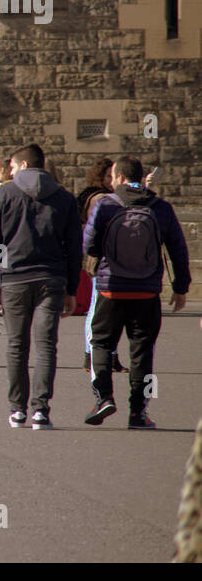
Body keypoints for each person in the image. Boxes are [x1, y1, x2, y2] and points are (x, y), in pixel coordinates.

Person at [82, 157, 191, 430]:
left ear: (118, 177)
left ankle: (103, 397)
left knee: (102, 344)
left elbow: (89, 243)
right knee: (142, 352)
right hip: (146, 292)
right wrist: (180, 287)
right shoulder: (161, 207)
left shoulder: (106, 205)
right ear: (141, 177)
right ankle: (138, 413)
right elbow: (178, 249)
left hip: (111, 289)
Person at [0, 144, 82, 430]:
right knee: (46, 345)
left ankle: (17, 409)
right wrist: (72, 288)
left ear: (24, 165)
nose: (10, 171)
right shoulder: (64, 198)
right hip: (52, 278)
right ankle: (41, 409)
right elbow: (74, 247)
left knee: (17, 345)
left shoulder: (4, 194)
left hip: (14, 278)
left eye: (12, 166)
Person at [75, 159, 116, 367]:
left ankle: (108, 354)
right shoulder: (100, 198)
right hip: (99, 257)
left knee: (109, 309)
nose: (111, 181)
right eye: (108, 176)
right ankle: (90, 353)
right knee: (96, 306)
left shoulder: (98, 196)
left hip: (102, 257)